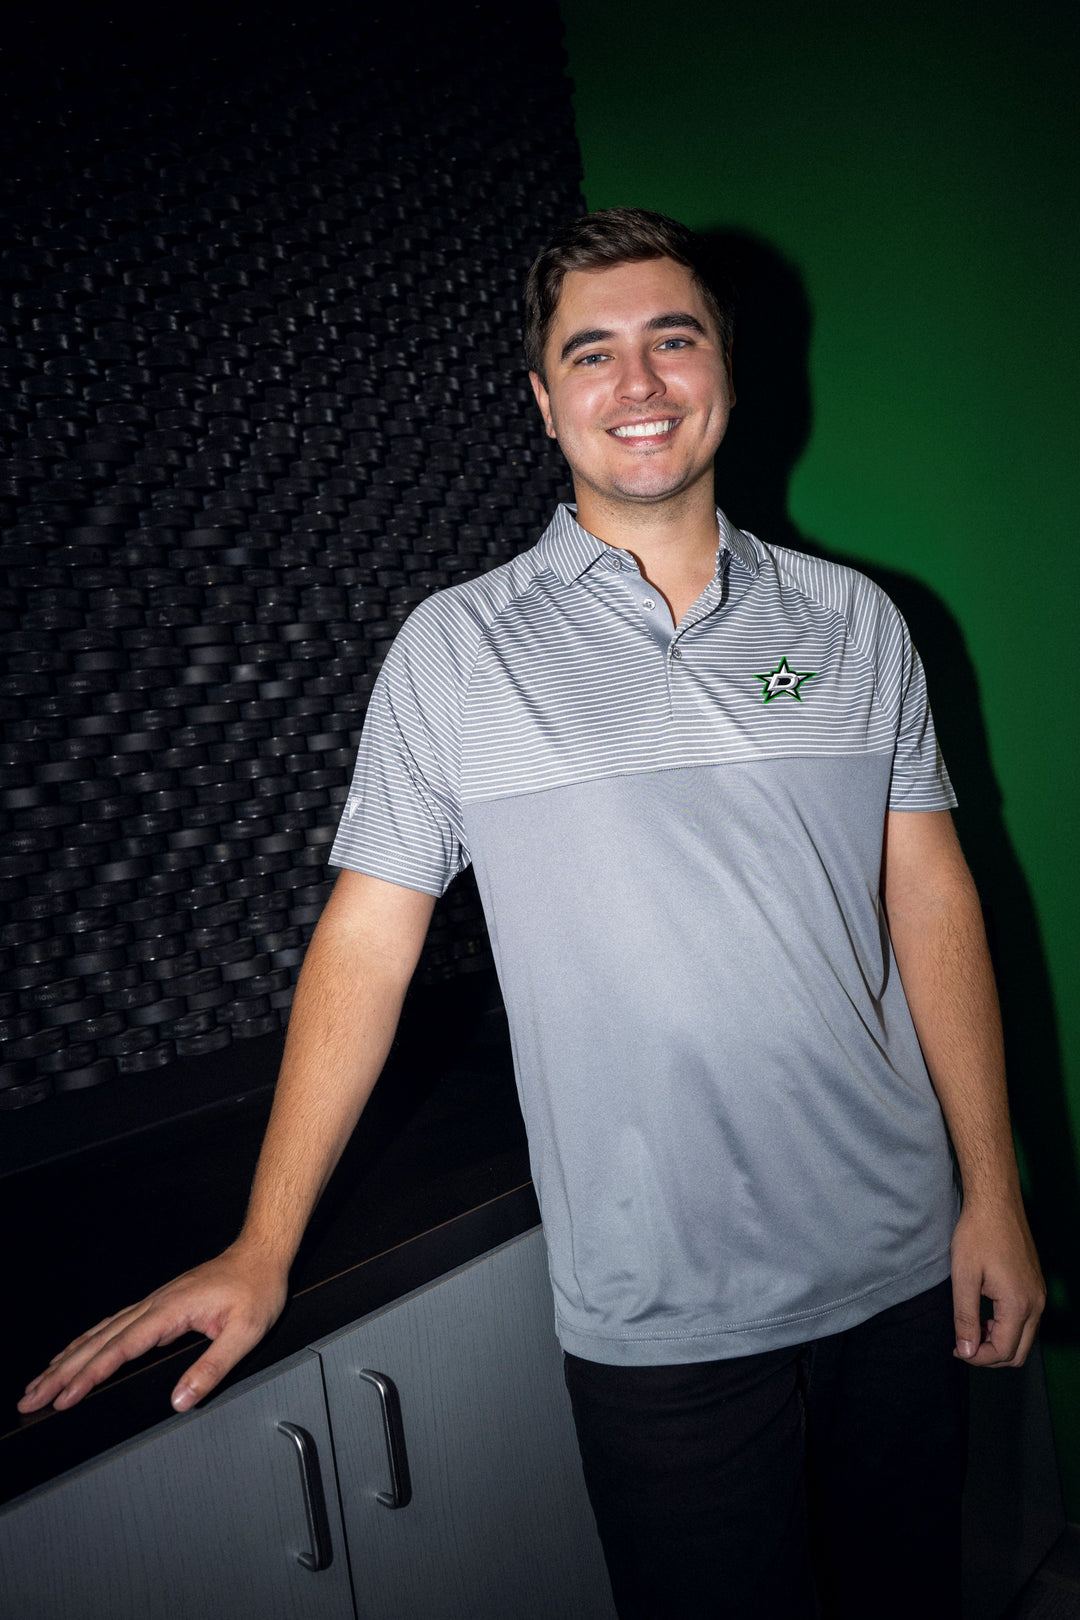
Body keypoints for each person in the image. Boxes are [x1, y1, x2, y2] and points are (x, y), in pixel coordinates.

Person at [20, 209, 1044, 1617]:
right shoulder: (458, 649)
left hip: (900, 1262)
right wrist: (264, 1244)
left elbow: (930, 899)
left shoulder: (857, 621)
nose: (640, 383)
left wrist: (993, 1192)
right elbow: (366, 944)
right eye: (592, 353)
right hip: (659, 1312)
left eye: (673, 340)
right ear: (545, 400)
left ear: (725, 369)